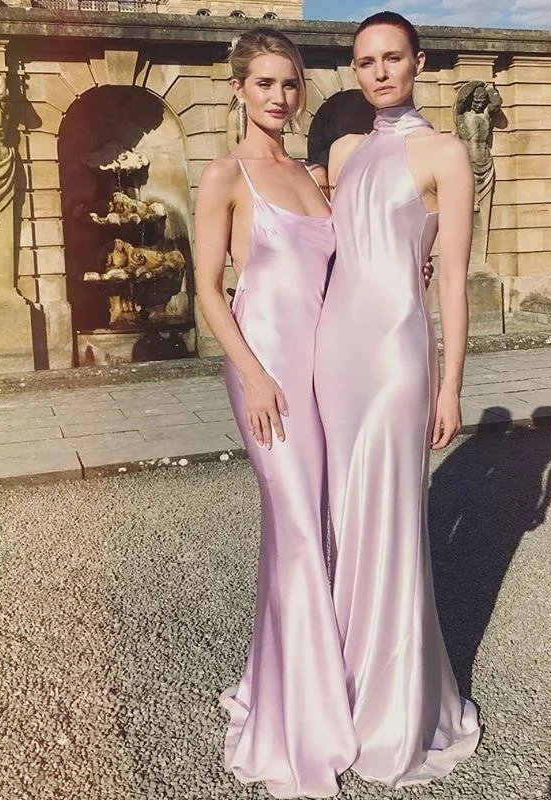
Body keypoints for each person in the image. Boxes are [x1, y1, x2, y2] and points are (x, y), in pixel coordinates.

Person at [313, 11, 481, 788]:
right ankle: (335, 690)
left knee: (392, 522)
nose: (379, 72)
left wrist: (451, 383)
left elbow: (453, 280)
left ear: (418, 62)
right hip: (334, 353)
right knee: (341, 517)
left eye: (392, 57)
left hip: (394, 358)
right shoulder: (344, 152)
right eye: (365, 61)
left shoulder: (445, 152)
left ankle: (391, 709)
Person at [195, 28, 356, 799]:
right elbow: (206, 289)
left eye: (289, 83)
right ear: (239, 89)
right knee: (296, 530)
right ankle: (295, 734)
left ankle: (285, 686)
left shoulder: (313, 176)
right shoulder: (224, 174)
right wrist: (254, 376)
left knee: (312, 528)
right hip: (264, 368)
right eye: (264, 83)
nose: (279, 97)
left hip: (320, 370)